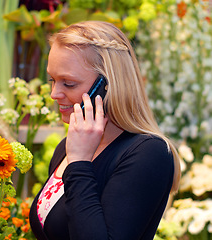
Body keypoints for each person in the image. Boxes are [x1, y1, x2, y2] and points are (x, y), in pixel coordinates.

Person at [29, 21, 181, 240]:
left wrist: (80, 162)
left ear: (107, 86)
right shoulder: (68, 148)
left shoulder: (149, 154)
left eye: (68, 83)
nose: (54, 93)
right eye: (53, 80)